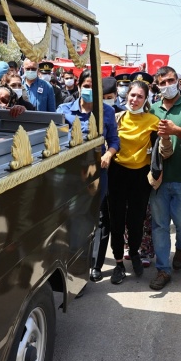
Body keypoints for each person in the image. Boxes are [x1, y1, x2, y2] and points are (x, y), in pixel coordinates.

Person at [108, 73, 171, 285]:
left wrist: (165, 138)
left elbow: (165, 149)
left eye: (139, 96)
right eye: (132, 95)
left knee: (136, 220)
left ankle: (134, 252)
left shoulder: (153, 121)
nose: (134, 99)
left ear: (146, 100)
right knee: (116, 220)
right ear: (126, 95)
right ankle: (118, 263)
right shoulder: (117, 118)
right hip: (117, 173)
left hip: (140, 176)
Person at [58, 71, 120, 283]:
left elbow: (114, 140)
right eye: (86, 84)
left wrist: (109, 154)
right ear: (78, 85)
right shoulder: (64, 110)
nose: (89, 89)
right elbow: (51, 136)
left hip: (96, 173)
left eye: (94, 86)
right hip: (69, 174)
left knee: (91, 218)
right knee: (70, 219)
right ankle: (67, 263)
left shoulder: (107, 112)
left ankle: (89, 265)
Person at [147, 66, 181, 290]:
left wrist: (176, 130)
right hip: (159, 178)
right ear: (157, 86)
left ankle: (180, 249)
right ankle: (162, 270)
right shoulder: (153, 108)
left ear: (178, 81)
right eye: (162, 83)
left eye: (170, 80)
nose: (167, 85)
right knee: (159, 225)